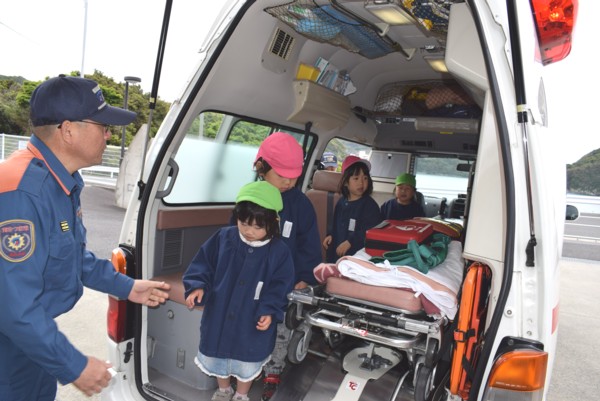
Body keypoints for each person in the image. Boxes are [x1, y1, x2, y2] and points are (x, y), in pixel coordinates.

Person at [0, 75, 171, 401]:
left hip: (31, 342)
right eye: (102, 126)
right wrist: (74, 365)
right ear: (68, 130)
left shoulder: (60, 182)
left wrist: (128, 287)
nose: (109, 134)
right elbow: (13, 306)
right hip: (9, 350)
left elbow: (72, 258)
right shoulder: (20, 192)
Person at [183, 181, 294, 401]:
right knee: (217, 353)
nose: (249, 231)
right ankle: (224, 390)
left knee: (247, 358)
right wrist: (197, 286)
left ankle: (241, 395)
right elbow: (203, 264)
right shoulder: (223, 237)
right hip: (220, 310)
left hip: (253, 316)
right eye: (244, 223)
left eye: (258, 227)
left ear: (273, 223)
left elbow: (281, 285)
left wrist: (269, 310)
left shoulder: (279, 251)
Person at [252, 132, 321, 400]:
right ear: (262, 168)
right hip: (253, 278)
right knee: (252, 323)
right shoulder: (250, 198)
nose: (289, 182)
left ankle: (274, 369)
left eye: (294, 176)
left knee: (281, 327)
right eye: (282, 175)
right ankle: (249, 365)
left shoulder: (300, 204)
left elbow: (309, 244)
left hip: (286, 282)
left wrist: (304, 276)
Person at [322, 155, 382, 262]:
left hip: (358, 259)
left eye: (365, 178)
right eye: (356, 178)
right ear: (345, 182)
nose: (361, 183)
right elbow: (335, 224)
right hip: (337, 255)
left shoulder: (370, 206)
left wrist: (351, 241)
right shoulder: (341, 202)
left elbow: (371, 231)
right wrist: (330, 234)